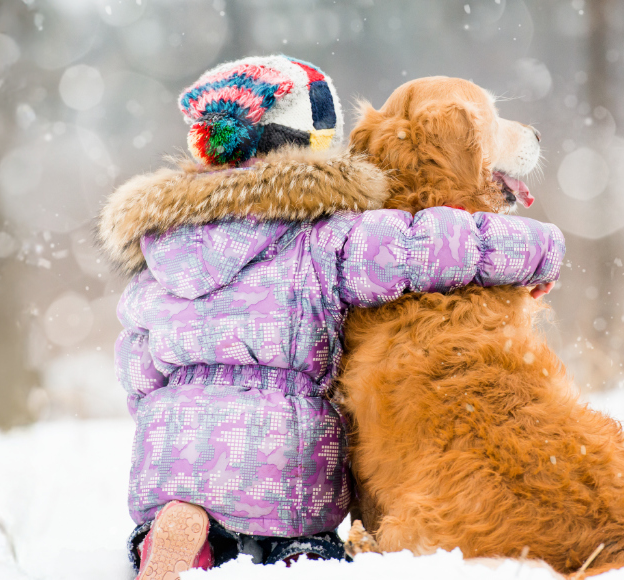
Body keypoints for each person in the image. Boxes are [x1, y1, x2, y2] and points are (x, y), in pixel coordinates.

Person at [96, 56, 565, 578]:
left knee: (181, 511)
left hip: (173, 452)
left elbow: (136, 366)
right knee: (308, 544)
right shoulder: (326, 235)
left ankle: (180, 531)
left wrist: (173, 417)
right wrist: (539, 249)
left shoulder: (162, 252)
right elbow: (428, 248)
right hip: (286, 461)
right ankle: (302, 555)